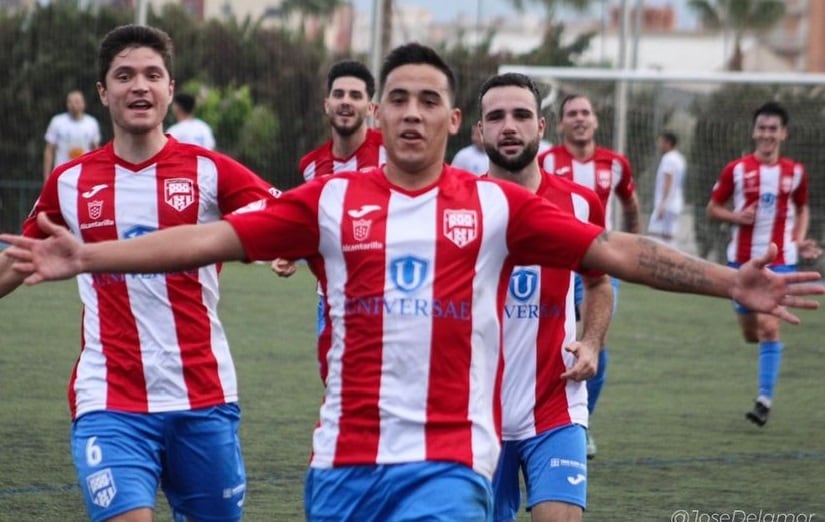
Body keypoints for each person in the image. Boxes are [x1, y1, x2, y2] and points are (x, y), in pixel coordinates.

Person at [3, 43, 822, 522]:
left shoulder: (498, 206)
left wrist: (729, 283)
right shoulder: (324, 200)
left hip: (446, 462)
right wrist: (91, 256)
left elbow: (615, 250)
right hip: (338, 468)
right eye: (397, 97)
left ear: (449, 121)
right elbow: (208, 238)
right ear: (378, 114)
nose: (411, 111)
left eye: (429, 99)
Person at [0, 24, 280, 522]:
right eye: (124, 76)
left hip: (203, 394)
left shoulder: (211, 171)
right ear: (104, 93)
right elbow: (18, 260)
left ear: (170, 89)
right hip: (109, 398)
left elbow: (289, 218)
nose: (140, 86)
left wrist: (282, 247)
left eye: (153, 75)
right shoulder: (70, 181)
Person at [477, 72, 613, 522]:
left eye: (520, 115)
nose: (508, 126)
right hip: (475, 413)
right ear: (479, 132)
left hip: (556, 404)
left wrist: (591, 340)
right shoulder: (458, 206)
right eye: (495, 117)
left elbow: (598, 282)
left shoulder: (579, 204)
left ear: (542, 127)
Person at [706, 101, 822, 427]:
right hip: (741, 262)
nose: (767, 134)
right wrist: (735, 216)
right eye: (762, 128)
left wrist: (797, 240)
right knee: (751, 332)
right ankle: (765, 349)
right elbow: (712, 209)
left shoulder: (795, 173)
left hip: (781, 260)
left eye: (774, 129)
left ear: (783, 134)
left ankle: (763, 400)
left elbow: (802, 209)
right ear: (754, 131)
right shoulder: (737, 170)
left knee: (769, 326)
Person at [538, 94, 641, 459]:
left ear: (595, 121)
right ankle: (542, 411)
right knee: (554, 340)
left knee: (596, 341)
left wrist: (628, 250)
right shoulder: (545, 161)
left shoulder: (615, 164)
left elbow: (630, 206)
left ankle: (584, 421)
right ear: (561, 124)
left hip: (598, 266)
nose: (579, 119)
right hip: (556, 266)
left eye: (585, 112)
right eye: (571, 114)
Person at [271, 59, 385, 339]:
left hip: (384, 298)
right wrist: (292, 251)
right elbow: (318, 224)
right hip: (331, 299)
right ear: (327, 104)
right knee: (334, 381)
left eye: (356, 96)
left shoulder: (390, 153)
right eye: (339, 94)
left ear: (371, 109)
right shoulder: (311, 165)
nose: (346, 102)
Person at [43, 90, 102, 181]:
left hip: (84, 175)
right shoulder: (57, 122)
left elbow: (96, 150)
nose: (73, 105)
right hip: (62, 176)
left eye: (77, 102)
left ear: (83, 104)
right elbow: (49, 150)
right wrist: (47, 177)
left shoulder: (92, 123)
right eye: (70, 102)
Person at [647, 131, 687, 248]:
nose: (659, 144)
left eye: (661, 141)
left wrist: (662, 204)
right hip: (676, 204)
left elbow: (668, 181)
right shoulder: (680, 159)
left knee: (654, 236)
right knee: (669, 237)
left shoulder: (668, 158)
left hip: (666, 204)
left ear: (668, 143)